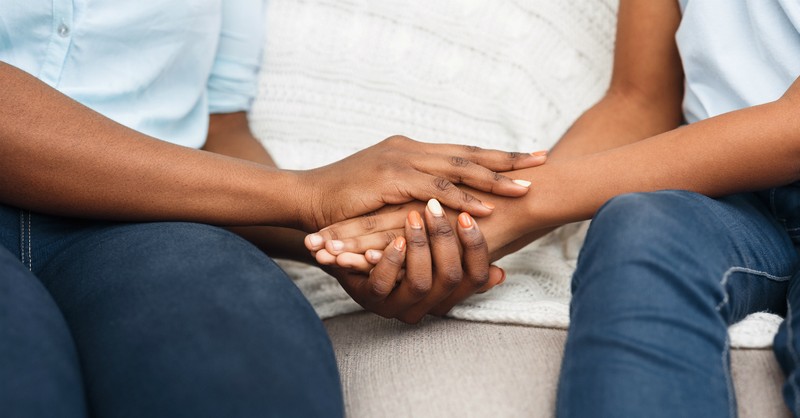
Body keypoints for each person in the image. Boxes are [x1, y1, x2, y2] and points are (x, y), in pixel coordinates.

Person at [0, 1, 548, 416]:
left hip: (154, 218)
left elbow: (223, 131)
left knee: (248, 380)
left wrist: (346, 242)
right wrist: (307, 194)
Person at [309, 0, 800, 415]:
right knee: (639, 226)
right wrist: (466, 228)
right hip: (724, 193)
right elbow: (639, 99)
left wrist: (514, 208)